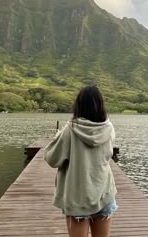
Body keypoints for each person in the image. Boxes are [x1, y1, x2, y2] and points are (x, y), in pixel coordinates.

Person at [44, 85, 117, 237]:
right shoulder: (109, 128)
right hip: (104, 193)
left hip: (77, 198)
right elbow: (108, 154)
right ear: (101, 104)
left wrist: (58, 138)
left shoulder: (70, 129)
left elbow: (52, 159)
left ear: (79, 105)